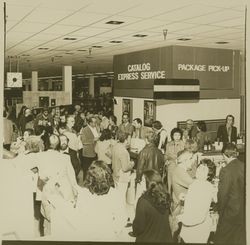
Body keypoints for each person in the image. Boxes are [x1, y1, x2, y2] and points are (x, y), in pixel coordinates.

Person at [179, 159, 216, 243]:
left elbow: (200, 215)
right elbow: (194, 202)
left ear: (208, 175)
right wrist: (185, 197)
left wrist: (182, 219)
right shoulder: (195, 183)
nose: (199, 170)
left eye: (203, 169)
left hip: (197, 230)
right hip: (189, 229)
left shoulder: (207, 187)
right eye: (199, 168)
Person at [214, 143, 245, 244]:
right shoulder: (244, 165)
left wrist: (219, 212)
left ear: (224, 155)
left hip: (230, 212)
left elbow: (223, 195)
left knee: (221, 239)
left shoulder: (226, 170)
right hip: (243, 211)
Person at [133, 170, 173, 243]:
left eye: (142, 180)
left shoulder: (143, 201)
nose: (140, 182)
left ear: (149, 183)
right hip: (166, 239)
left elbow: (138, 228)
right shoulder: (165, 196)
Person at [165, 128, 185, 194]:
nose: (177, 137)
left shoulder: (183, 144)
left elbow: (184, 155)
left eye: (179, 135)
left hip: (180, 166)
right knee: (170, 183)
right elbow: (166, 154)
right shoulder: (168, 144)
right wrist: (166, 160)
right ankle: (169, 196)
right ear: (172, 136)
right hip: (170, 165)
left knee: (178, 184)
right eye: (175, 135)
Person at [79, 116, 99, 180]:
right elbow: (84, 141)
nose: (95, 124)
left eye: (96, 122)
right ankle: (85, 184)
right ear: (89, 123)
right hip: (87, 153)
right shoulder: (85, 130)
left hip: (95, 152)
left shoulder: (96, 128)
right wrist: (94, 140)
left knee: (94, 170)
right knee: (86, 170)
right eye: (94, 122)